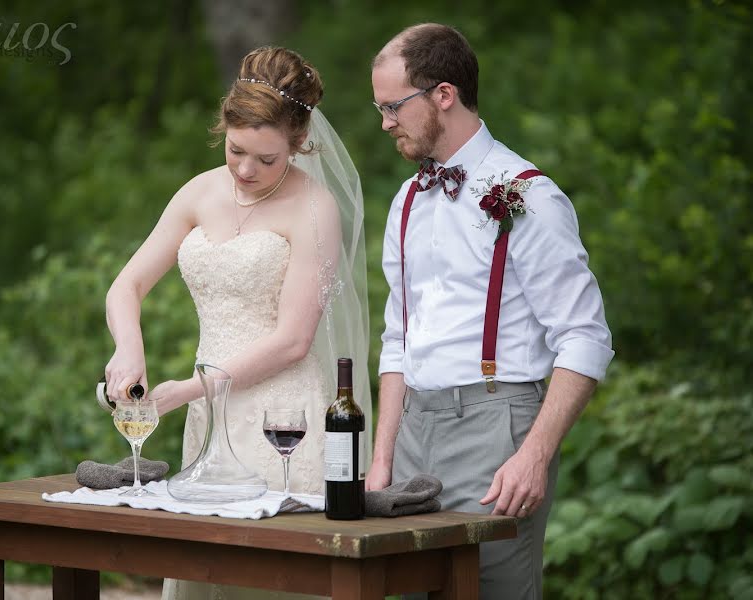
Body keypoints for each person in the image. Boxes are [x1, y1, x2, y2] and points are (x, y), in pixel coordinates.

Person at [104, 46, 371, 600]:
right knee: (209, 571)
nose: (246, 170)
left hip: (283, 422)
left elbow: (294, 340)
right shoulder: (199, 191)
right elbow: (126, 286)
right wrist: (128, 349)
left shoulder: (315, 208)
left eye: (267, 159)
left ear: (299, 144)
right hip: (208, 412)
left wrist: (193, 388)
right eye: (236, 150)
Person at [366, 24, 614, 599]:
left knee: (491, 591)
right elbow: (397, 338)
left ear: (443, 95)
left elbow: (585, 336)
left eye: (394, 107)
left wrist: (534, 455)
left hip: (496, 426)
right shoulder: (405, 202)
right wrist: (382, 458)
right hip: (412, 433)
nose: (385, 123)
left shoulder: (528, 194)